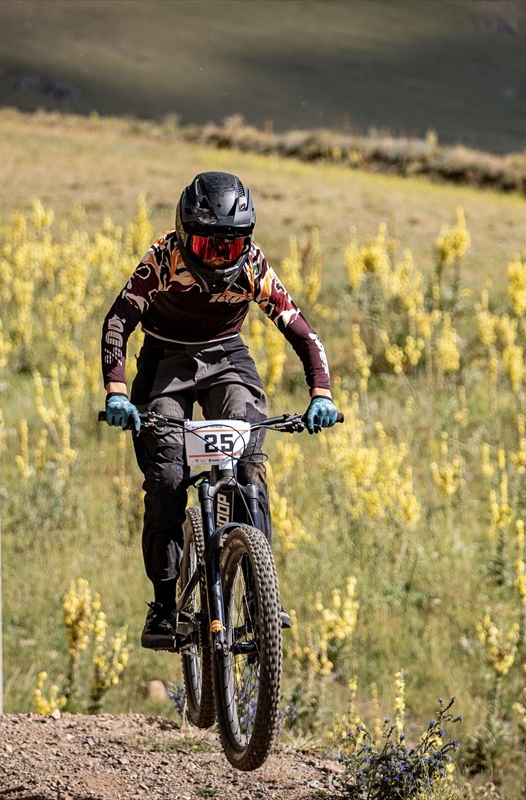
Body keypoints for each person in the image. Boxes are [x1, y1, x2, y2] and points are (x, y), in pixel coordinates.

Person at [100, 170, 340, 650]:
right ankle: (165, 605)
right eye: (209, 246)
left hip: (226, 358)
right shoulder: (163, 256)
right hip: (164, 359)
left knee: (250, 465)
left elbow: (301, 329)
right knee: (167, 478)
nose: (221, 256)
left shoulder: (252, 266)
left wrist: (321, 394)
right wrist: (117, 392)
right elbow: (118, 321)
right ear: (185, 234)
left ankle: (260, 595)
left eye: (230, 247)